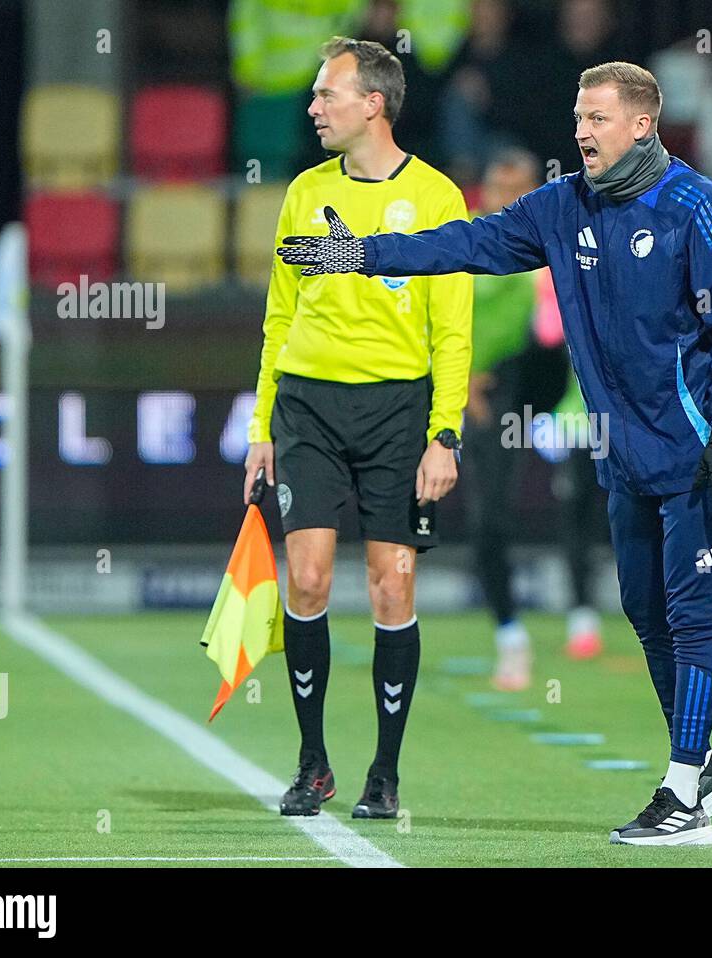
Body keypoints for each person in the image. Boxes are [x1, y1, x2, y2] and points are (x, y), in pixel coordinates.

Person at [277, 61, 712, 846]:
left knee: (691, 614)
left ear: (643, 124)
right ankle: (702, 763)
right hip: (628, 453)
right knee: (645, 612)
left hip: (699, 444)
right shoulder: (563, 205)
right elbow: (471, 241)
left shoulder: (696, 209)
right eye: (578, 117)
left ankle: (683, 796)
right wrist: (362, 256)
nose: (581, 132)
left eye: (599, 119)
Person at [244, 37, 472, 819]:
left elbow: (453, 328)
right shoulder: (304, 192)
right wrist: (261, 424)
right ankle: (313, 763)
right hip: (307, 403)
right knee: (305, 577)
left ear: (373, 103)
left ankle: (385, 773)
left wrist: (446, 435)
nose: (312, 108)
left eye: (325, 95)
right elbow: (278, 316)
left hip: (397, 412)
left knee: (392, 583)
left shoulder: (439, 198)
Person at [461, 148, 604, 693]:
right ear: (487, 196)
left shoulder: (564, 245)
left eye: (524, 191)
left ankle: (585, 613)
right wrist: (462, 377)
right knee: (488, 518)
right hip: (493, 389)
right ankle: (510, 634)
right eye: (503, 190)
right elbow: (442, 320)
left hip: (564, 392)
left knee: (583, 500)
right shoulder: (469, 247)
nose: (513, 201)